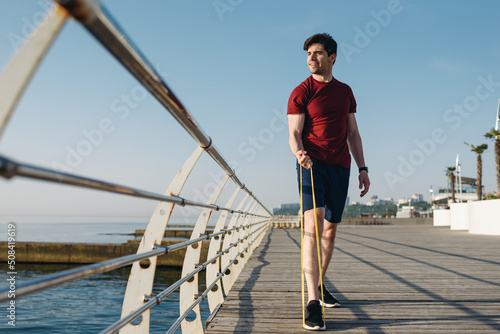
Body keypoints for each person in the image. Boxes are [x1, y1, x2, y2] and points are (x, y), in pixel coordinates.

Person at [287, 33, 370, 331]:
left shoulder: (345, 91)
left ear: (332, 57)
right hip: (311, 165)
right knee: (313, 225)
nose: (311, 58)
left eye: (318, 53)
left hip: (341, 167)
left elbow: (353, 134)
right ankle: (312, 301)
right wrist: (299, 152)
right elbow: (294, 133)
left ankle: (319, 285)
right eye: (308, 53)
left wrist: (363, 168)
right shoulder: (301, 91)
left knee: (330, 232)